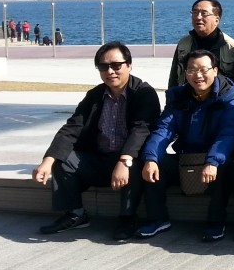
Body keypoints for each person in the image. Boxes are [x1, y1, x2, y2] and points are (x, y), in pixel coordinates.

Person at [32, 41, 161, 240]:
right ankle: (76, 214)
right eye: (103, 66)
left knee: (134, 164)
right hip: (99, 159)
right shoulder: (95, 95)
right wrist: (48, 161)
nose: (110, 71)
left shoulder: (143, 93)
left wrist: (123, 160)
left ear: (129, 65)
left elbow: (141, 130)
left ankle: (127, 218)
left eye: (116, 65)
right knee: (63, 160)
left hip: (129, 159)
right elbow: (72, 127)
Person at [139, 50, 234, 241]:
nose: (198, 75)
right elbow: (164, 129)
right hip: (187, 156)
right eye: (192, 70)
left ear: (215, 71)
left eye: (203, 70)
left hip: (216, 157)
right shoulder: (179, 97)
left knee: (225, 166)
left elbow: (228, 135)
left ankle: (216, 221)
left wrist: (212, 161)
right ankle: (158, 218)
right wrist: (151, 158)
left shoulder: (229, 98)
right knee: (154, 165)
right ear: (185, 73)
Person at [168, 0, 234, 88]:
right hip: (187, 96)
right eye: (195, 12)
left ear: (217, 19)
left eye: (204, 13)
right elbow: (174, 79)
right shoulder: (184, 44)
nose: (198, 17)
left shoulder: (232, 48)